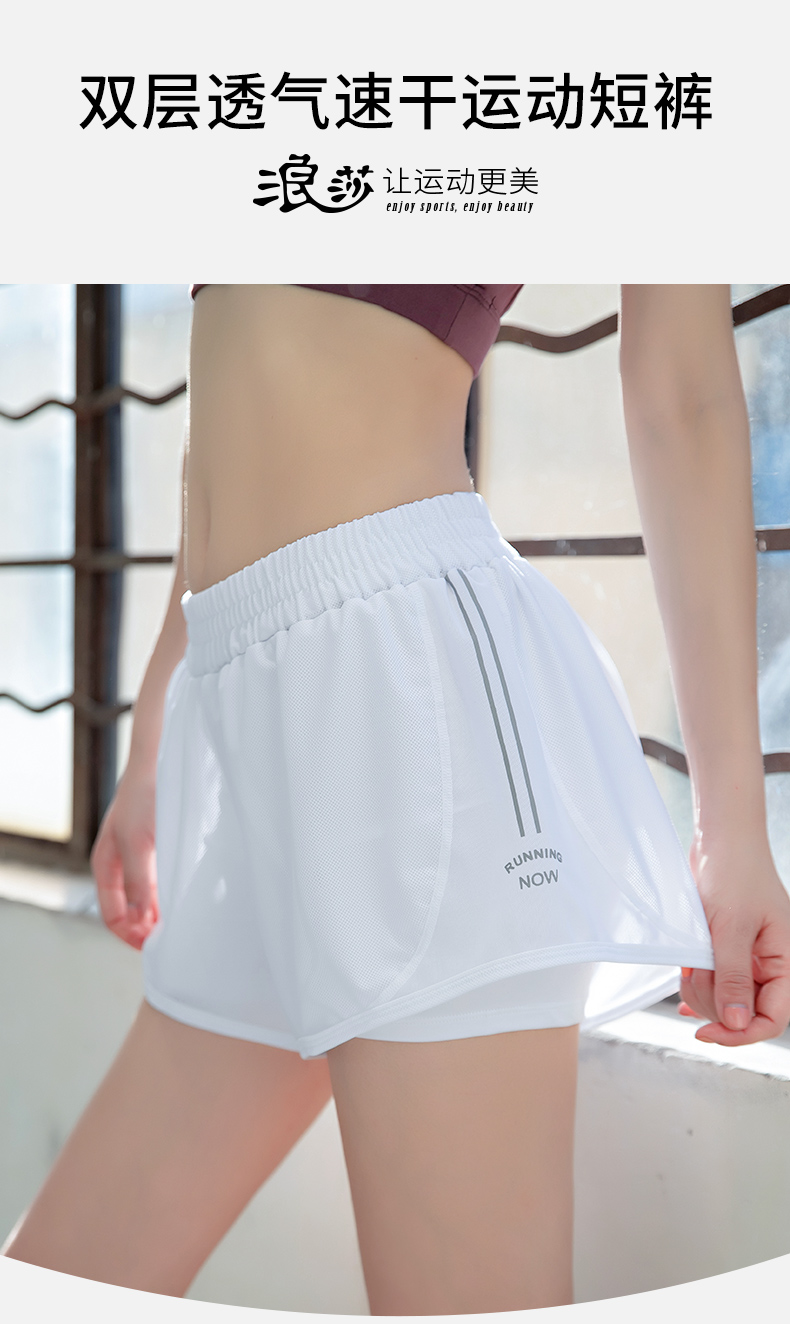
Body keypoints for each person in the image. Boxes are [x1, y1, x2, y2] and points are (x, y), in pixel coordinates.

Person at [4, 284, 790, 1314]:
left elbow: (683, 390)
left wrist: (732, 831)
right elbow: (233, 396)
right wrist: (154, 736)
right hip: (249, 710)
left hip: (416, 700)